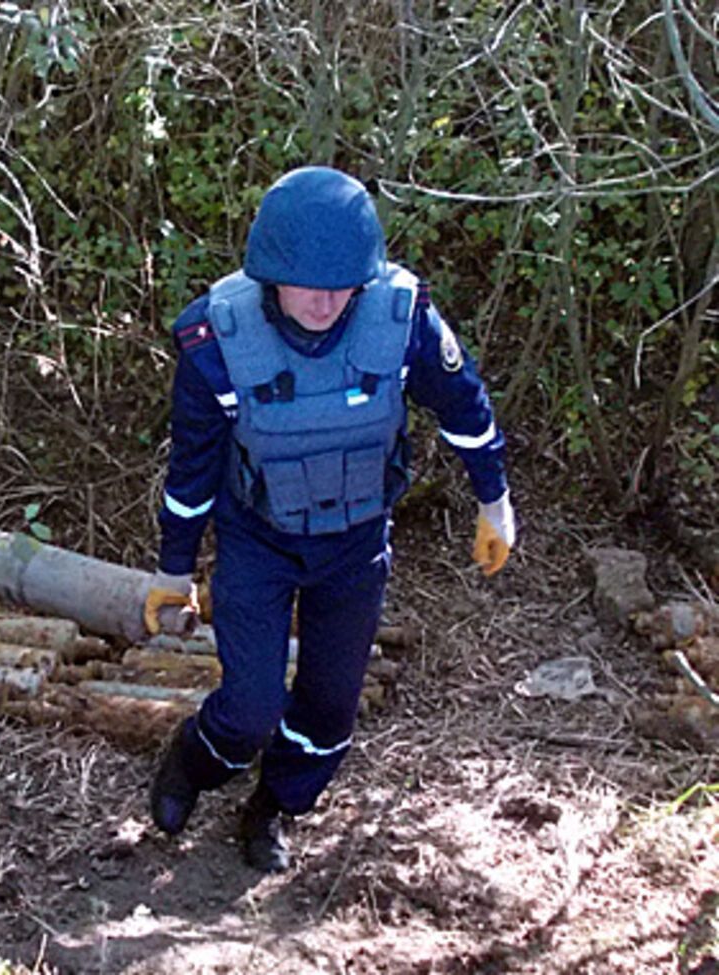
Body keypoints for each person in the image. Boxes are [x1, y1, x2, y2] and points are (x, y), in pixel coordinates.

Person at [142, 166, 515, 871]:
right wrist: (173, 568)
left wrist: (494, 501)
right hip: (258, 540)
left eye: (342, 281)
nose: (325, 300)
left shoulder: (399, 322)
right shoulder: (217, 340)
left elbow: (466, 409)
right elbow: (191, 470)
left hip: (354, 543)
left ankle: (272, 806)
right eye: (307, 282)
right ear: (269, 275)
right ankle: (193, 760)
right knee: (250, 706)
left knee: (329, 708)